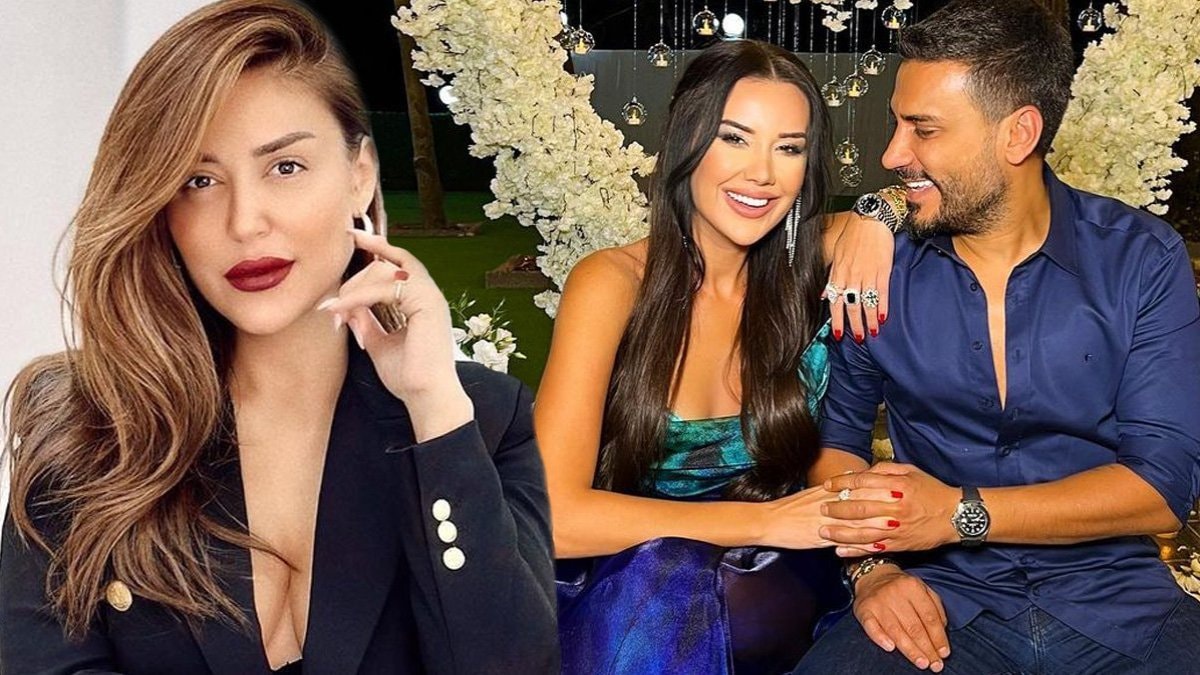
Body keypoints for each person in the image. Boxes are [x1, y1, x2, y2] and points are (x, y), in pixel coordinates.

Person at [0, 1, 557, 673]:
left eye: (285, 166)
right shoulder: (86, 430)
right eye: (199, 181)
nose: (245, 221)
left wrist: (433, 407)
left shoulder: (479, 422)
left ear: (360, 175)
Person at [796, 1, 1200, 673]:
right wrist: (873, 570)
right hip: (935, 605)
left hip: (1120, 604)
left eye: (923, 129)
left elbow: (1160, 488)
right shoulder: (877, 267)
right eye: (897, 123)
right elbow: (836, 442)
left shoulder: (1141, 259)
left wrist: (959, 513)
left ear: (1018, 135)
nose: (892, 153)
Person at [535, 39, 902, 674]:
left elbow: (935, 196)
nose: (762, 174)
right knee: (667, 581)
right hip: (636, 575)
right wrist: (764, 523)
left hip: (783, 578)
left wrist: (877, 213)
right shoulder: (612, 283)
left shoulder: (811, 262)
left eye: (789, 148)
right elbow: (554, 516)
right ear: (688, 141)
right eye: (735, 138)